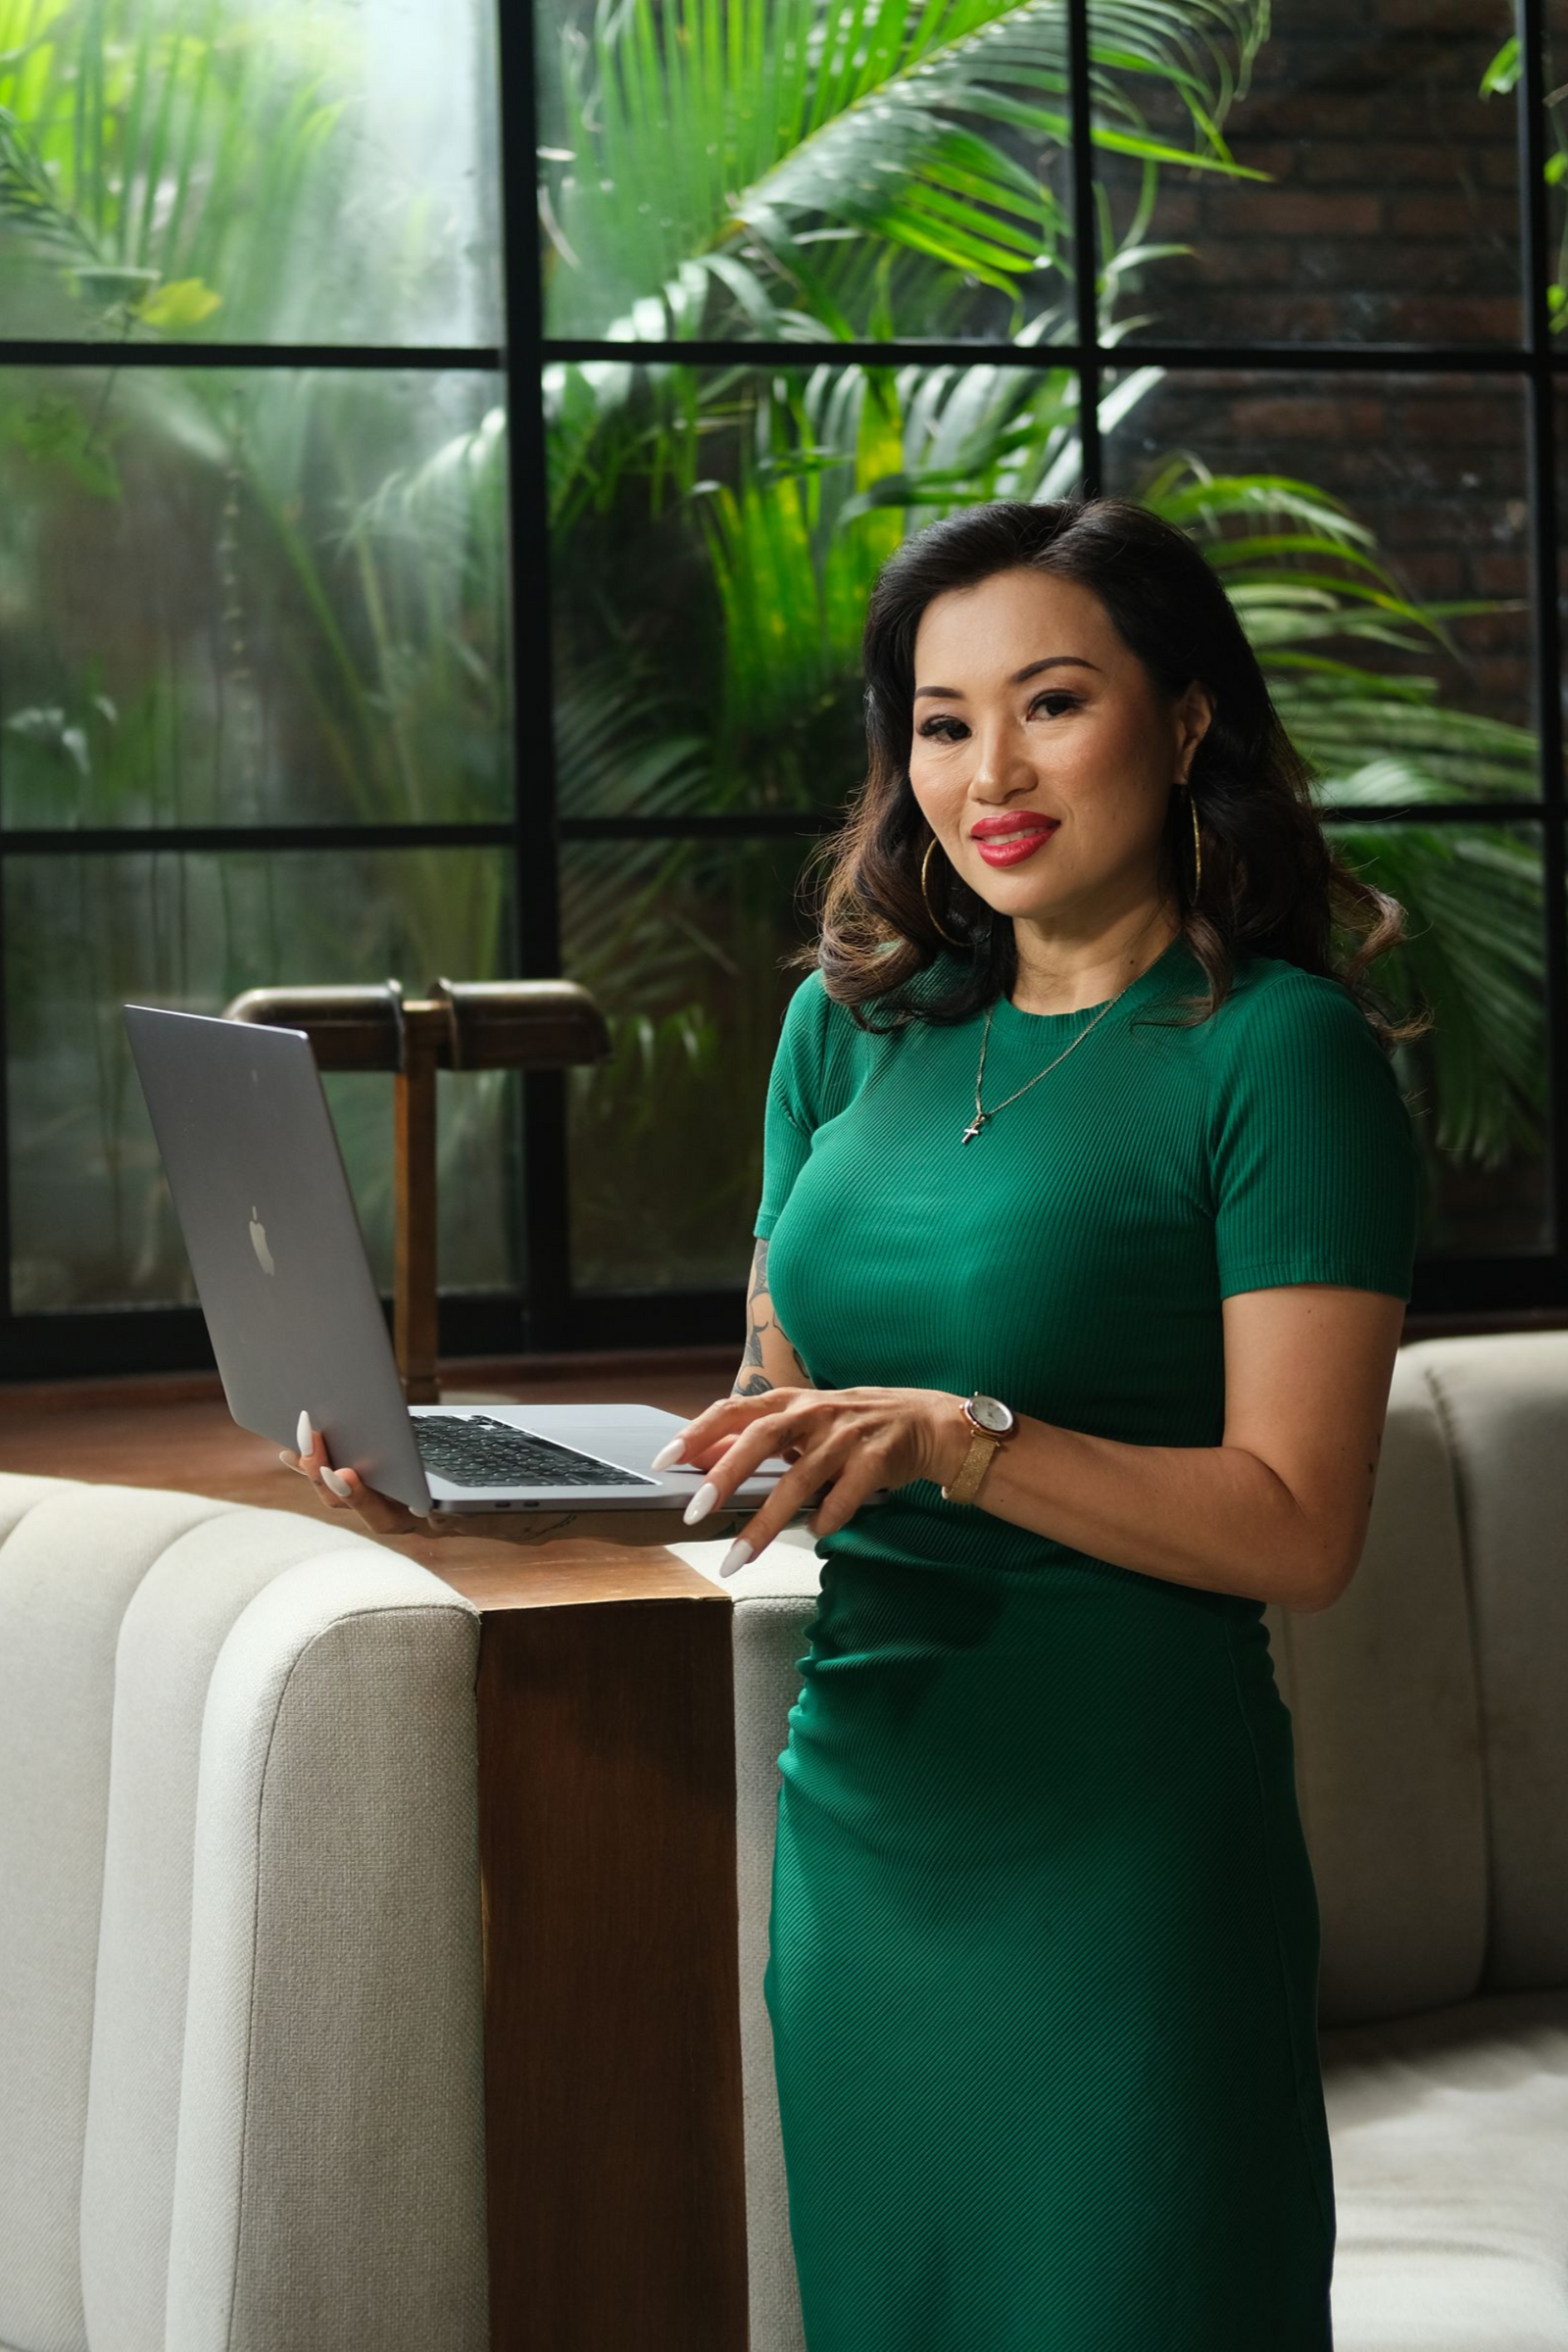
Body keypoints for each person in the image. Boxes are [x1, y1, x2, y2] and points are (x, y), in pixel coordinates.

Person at [287, 495, 1430, 2349]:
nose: (992, 770)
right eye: (943, 719)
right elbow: (771, 1421)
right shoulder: (849, 1028)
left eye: (1052, 703)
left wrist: (962, 1436)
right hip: (869, 1833)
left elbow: (1299, 1525)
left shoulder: (1277, 1053)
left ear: (1189, 718)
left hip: (1125, 1855)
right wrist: (474, 1485)